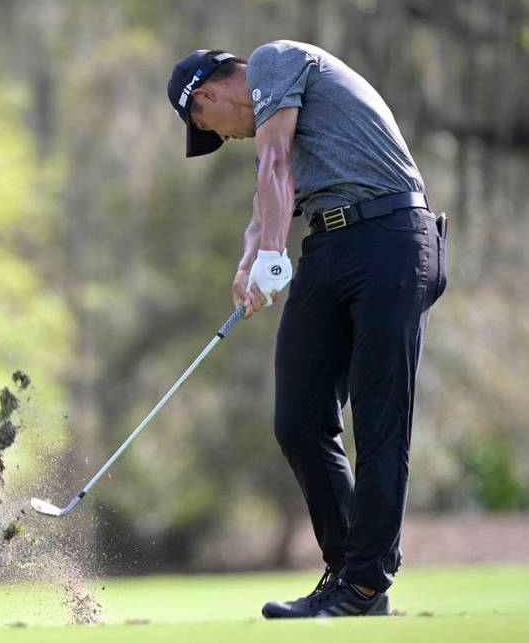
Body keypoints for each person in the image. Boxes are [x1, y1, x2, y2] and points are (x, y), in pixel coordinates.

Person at [167, 41, 447, 618]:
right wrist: (250, 264)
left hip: (392, 237)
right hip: (331, 245)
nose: (222, 136)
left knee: (378, 420)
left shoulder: (274, 61)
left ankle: (365, 584)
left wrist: (273, 254)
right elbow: (266, 196)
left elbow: (273, 169)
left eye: (207, 126)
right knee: (298, 419)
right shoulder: (276, 127)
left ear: (207, 96)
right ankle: (348, 573)